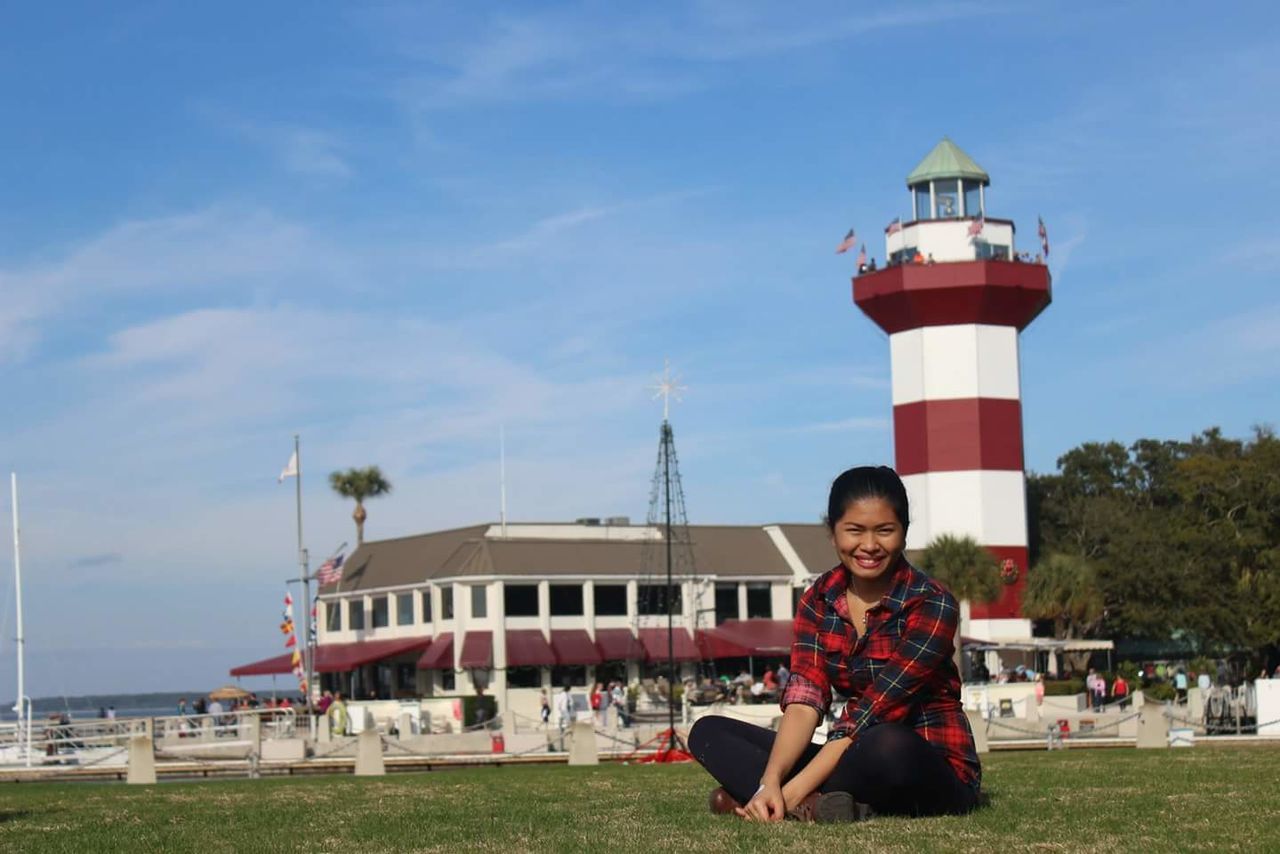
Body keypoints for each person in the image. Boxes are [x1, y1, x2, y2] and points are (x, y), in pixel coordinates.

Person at [689, 466, 980, 823]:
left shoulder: (932, 603)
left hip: (924, 762)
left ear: (903, 532)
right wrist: (770, 780)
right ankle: (814, 803)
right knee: (708, 731)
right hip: (849, 755)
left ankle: (787, 800)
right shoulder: (818, 599)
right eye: (854, 531)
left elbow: (872, 713)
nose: (869, 546)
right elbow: (804, 700)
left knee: (886, 743)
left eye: (885, 531)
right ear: (833, 532)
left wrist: (790, 790)